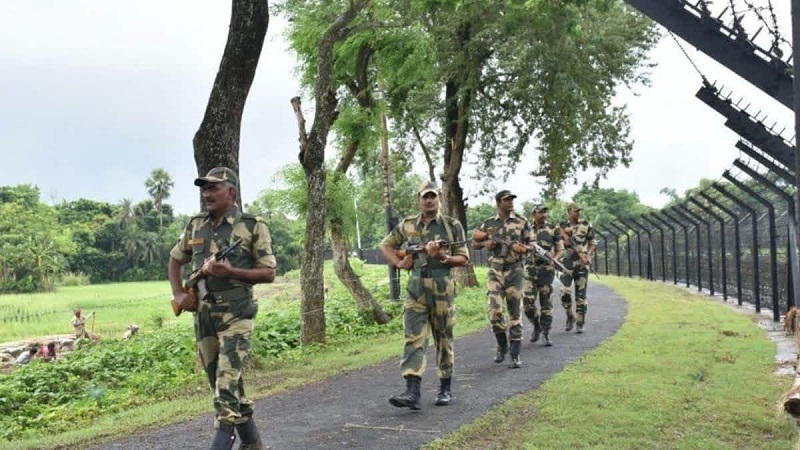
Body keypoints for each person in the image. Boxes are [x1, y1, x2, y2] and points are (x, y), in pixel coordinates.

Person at [168, 166, 276, 450]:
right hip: (204, 317)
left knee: (225, 388)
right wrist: (179, 293)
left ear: (231, 191)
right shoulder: (196, 225)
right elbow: (175, 259)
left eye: (213, 188)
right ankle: (253, 444)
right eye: (204, 188)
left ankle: (220, 443)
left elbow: (268, 273)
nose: (207, 194)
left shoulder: (253, 225)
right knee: (222, 383)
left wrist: (230, 272)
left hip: (237, 315)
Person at [380, 180, 469, 410]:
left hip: (442, 285)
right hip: (416, 287)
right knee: (413, 338)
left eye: (433, 196)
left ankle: (445, 388)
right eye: (424, 196)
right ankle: (412, 391)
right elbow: (386, 245)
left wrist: (442, 257)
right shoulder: (408, 225)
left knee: (443, 338)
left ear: (438, 197)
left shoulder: (451, 225)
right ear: (419, 198)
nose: (429, 200)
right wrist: (400, 263)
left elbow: (464, 258)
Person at [472, 190, 532, 368]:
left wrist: (524, 249)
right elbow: (475, 243)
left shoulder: (522, 222)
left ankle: (515, 354)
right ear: (499, 202)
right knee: (494, 312)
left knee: (514, 313)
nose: (511, 202)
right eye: (507, 200)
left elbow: (533, 244)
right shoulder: (489, 223)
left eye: (512, 199)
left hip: (515, 271)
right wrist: (486, 243)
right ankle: (502, 346)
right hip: (495, 272)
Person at [523, 204, 563, 346]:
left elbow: (560, 249)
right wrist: (527, 248)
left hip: (546, 269)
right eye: (540, 212)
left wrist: (555, 261)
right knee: (527, 301)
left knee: (546, 302)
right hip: (530, 269)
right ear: (534, 214)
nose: (544, 215)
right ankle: (536, 325)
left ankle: (546, 333)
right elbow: (520, 245)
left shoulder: (553, 228)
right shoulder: (525, 228)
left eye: (545, 212)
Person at [559, 202, 597, 334]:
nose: (578, 213)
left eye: (579, 210)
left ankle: (580, 322)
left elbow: (592, 242)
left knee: (581, 296)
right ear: (569, 211)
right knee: (564, 291)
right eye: (576, 211)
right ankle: (570, 316)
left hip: (581, 264)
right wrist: (565, 241)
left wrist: (588, 254)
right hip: (567, 263)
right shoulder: (562, 226)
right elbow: (557, 242)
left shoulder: (586, 225)